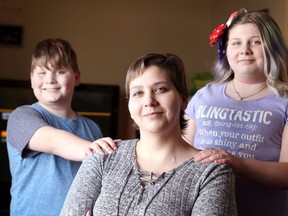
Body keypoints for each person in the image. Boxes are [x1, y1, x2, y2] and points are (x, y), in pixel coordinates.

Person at [60, 53, 237, 216]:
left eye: (160, 89)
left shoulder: (212, 172)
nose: (149, 101)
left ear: (183, 99)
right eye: (138, 93)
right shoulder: (102, 157)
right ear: (130, 106)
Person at [185, 8, 288, 216]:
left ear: (273, 48)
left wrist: (237, 163)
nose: (245, 50)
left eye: (255, 42)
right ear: (225, 50)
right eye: (236, 42)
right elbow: (177, 153)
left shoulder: (284, 101)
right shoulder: (204, 95)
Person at [6, 38, 103, 216]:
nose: (50, 79)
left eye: (60, 71)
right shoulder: (20, 117)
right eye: (42, 72)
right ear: (31, 79)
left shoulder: (93, 129)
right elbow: (53, 141)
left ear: (76, 77)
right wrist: (103, 151)